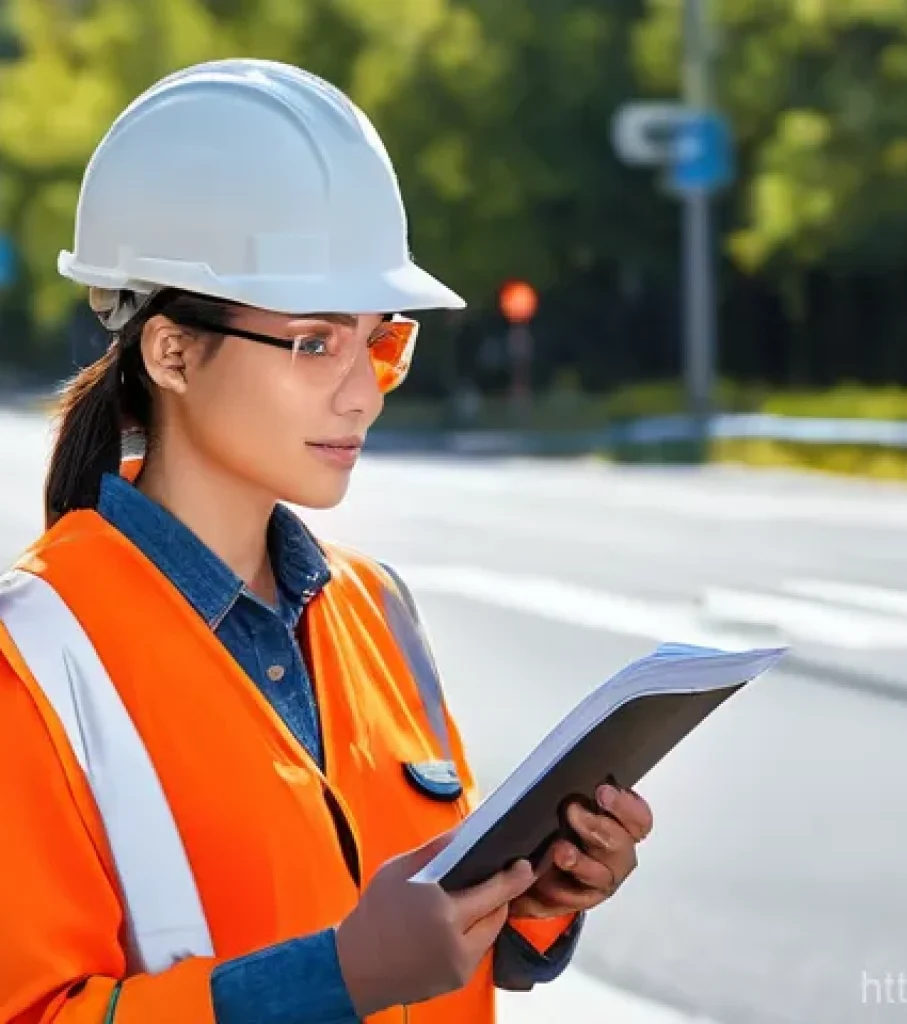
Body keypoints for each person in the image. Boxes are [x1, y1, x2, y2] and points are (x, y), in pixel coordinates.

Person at [0, 59, 655, 1024]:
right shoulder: (34, 658)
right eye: (315, 342)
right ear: (172, 351)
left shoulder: (374, 608)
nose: (363, 391)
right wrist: (338, 978)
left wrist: (534, 906)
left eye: (378, 341)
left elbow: (423, 942)